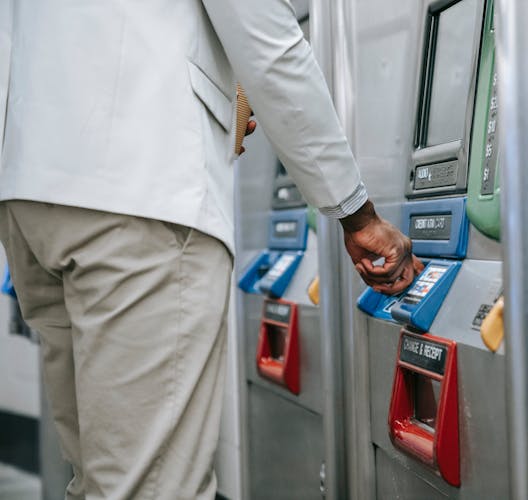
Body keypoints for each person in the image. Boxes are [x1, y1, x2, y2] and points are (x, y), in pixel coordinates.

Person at [0, 1, 423, 498]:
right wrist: (356, 212)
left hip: (34, 188)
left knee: (99, 478)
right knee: (152, 488)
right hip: (141, 193)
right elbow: (268, 43)